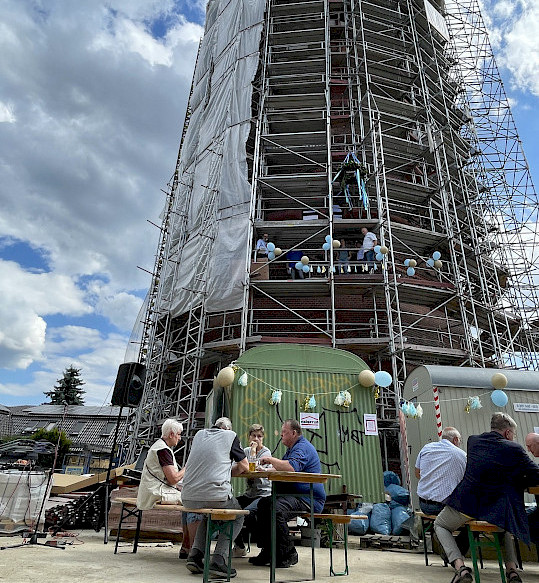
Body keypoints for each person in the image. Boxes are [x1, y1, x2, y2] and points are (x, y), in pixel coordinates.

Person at [434, 413, 539, 583]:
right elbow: (535, 475)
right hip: (495, 508)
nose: (513, 438)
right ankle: (512, 571)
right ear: (507, 433)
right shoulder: (514, 449)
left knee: (440, 524)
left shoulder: (472, 441)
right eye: (513, 434)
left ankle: (460, 568)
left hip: (466, 504)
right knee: (503, 523)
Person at [249, 419, 326, 568]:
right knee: (264, 504)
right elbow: (281, 469)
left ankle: (289, 553)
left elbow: (291, 467)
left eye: (284, 432)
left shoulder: (302, 448)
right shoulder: (292, 449)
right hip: (294, 496)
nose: (281, 435)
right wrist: (264, 471)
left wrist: (270, 459)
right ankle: (269, 551)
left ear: (294, 433)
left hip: (308, 498)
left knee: (274, 508)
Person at [182, 416, 249, 579]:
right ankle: (219, 559)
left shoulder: (199, 435)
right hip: (215, 495)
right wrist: (228, 471)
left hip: (188, 495)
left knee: (209, 515)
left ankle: (196, 555)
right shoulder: (230, 436)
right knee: (238, 516)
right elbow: (245, 466)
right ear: (227, 429)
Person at [415, 427, 468, 559]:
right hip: (443, 507)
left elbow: (418, 474)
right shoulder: (461, 455)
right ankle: (455, 550)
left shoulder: (426, 448)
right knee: (472, 518)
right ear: (455, 439)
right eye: (459, 440)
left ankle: (446, 544)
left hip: (424, 504)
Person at [233, 423, 272, 557]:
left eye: (259, 436)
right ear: (249, 437)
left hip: (263, 493)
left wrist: (254, 451)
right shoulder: (244, 451)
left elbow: (253, 469)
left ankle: (265, 546)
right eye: (254, 436)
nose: (256, 439)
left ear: (263, 438)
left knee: (249, 513)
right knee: (231, 508)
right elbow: (235, 467)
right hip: (250, 493)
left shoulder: (266, 452)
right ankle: (239, 546)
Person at [136, 418, 184, 511]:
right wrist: (187, 468)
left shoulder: (159, 446)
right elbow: (173, 479)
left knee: (188, 496)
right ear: (171, 434)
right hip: (155, 493)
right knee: (191, 500)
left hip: (150, 492)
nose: (180, 438)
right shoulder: (163, 450)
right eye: (178, 434)